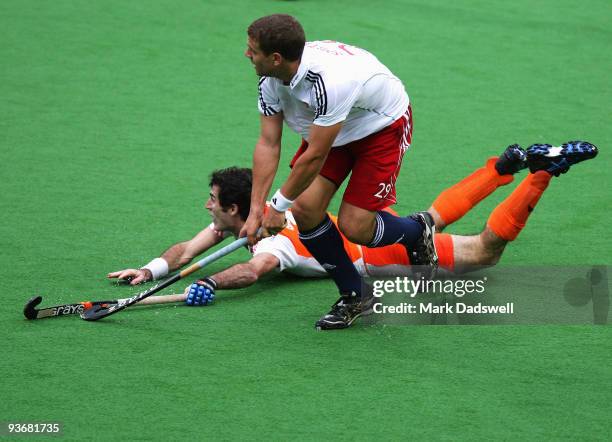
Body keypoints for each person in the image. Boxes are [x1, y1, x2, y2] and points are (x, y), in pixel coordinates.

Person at [108, 140, 598, 329]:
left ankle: (542, 171)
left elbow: (254, 268)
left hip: (374, 254)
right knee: (429, 219)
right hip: (367, 223)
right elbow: (190, 249)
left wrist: (213, 283)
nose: (207, 208)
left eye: (213, 202)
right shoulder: (249, 218)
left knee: (484, 253)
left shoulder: (275, 241)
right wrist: (150, 270)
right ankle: (505, 164)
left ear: (236, 209)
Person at [241, 14, 437, 329]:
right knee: (305, 210)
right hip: (331, 126)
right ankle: (355, 294)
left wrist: (277, 208)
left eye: (253, 50)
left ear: (276, 58)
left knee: (355, 227)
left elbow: (316, 154)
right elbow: (268, 143)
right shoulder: (270, 78)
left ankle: (416, 232)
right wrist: (255, 211)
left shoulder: (330, 82)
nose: (247, 55)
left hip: (380, 125)